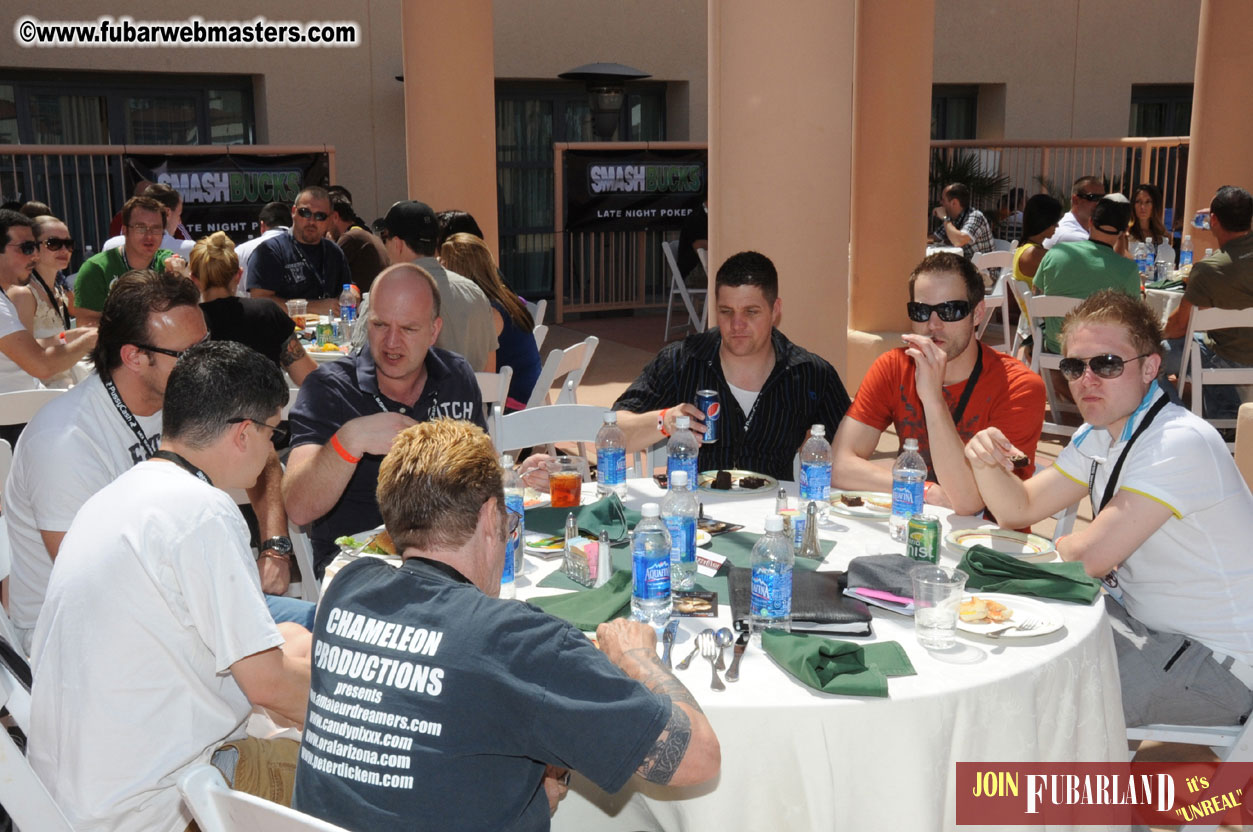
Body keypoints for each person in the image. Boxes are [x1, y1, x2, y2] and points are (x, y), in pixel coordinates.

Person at [291, 419, 720, 830]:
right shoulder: (515, 641)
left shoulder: (347, 588)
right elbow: (697, 757)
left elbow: (429, 737)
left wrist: (534, 790)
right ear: (491, 515)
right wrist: (638, 657)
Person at [29, 340, 313, 832]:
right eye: (275, 432)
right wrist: (363, 704)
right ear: (245, 433)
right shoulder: (201, 511)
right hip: (152, 810)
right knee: (367, 773)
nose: (274, 449)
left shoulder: (121, 495)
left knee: (297, 643)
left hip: (71, 800)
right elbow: (267, 684)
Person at [964, 290, 1253, 727]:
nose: (1087, 380)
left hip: (1218, 664)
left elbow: (1086, 560)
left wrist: (1069, 545)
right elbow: (1017, 509)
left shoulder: (1178, 442)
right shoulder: (1101, 434)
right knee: (1001, 638)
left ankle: (1038, 793)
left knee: (1031, 705)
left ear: (1151, 367)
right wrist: (982, 458)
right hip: (1146, 627)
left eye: (1108, 364)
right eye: (1075, 366)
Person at [4, 269, 309, 652]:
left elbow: (261, 451)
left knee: (332, 632)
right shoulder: (64, 442)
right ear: (134, 357)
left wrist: (275, 548)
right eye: (187, 354)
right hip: (85, 639)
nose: (204, 363)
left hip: (183, 605)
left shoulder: (185, 394)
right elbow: (93, 587)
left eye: (207, 344)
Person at [284, 263, 487, 572]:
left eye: (408, 329)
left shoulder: (455, 375)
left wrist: (521, 472)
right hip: (358, 572)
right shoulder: (329, 389)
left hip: (447, 562)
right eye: (380, 325)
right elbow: (298, 508)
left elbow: (480, 481)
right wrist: (351, 440)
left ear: (434, 331)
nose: (391, 342)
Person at [831, 251, 1045, 514]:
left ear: (977, 313)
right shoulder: (895, 366)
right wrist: (923, 490)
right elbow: (839, 465)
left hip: (988, 541)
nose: (933, 324)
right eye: (921, 311)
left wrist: (932, 398)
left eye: (949, 310)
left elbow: (967, 502)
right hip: (917, 529)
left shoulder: (1019, 386)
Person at [613, 251, 851, 481]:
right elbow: (615, 430)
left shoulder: (811, 373)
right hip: (696, 511)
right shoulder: (682, 361)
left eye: (751, 312)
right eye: (726, 312)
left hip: (772, 514)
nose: (737, 324)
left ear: (775, 310)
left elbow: (850, 454)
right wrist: (664, 421)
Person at [1162, 185, 1253, 418]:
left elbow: (1178, 327)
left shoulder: (1210, 270)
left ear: (1213, 219)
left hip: (1231, 361)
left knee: (1149, 357)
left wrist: (1156, 334)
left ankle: (1178, 420)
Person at [379, 200, 497, 371]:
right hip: (474, 395)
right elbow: (490, 369)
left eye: (385, 238)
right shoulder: (475, 291)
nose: (384, 246)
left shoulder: (388, 292)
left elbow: (363, 362)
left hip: (419, 396)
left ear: (397, 244)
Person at [190, 230, 317, 386]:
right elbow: (309, 378)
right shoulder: (267, 312)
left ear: (194, 279)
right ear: (239, 275)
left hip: (208, 410)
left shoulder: (189, 322)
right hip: (266, 408)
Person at [438, 232, 541, 409]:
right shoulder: (506, 297)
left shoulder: (489, 313)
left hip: (510, 406)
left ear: (458, 272)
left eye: (444, 268)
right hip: (529, 397)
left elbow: (486, 378)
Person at [0, 212, 95, 394]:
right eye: (27, 248)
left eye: (69, 244)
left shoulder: (5, 296)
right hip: (19, 412)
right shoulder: (16, 296)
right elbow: (40, 366)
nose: (35, 255)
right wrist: (89, 340)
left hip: (32, 401)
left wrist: (70, 336)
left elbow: (27, 347)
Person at [1034, 193, 1141, 354]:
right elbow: (1132, 318)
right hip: (1100, 354)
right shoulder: (1128, 270)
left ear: (1090, 221)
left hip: (1056, 347)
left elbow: (1037, 295)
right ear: (1125, 230)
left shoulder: (1056, 253)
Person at [74, 195, 178, 325]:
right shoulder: (96, 269)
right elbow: (87, 324)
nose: (149, 236)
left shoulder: (167, 265)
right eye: (141, 228)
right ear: (124, 230)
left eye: (156, 228)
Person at [249, 186, 351, 315]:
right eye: (305, 212)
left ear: (330, 219)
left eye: (320, 216)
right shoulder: (270, 251)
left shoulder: (334, 252)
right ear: (293, 212)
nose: (312, 221)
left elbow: (347, 287)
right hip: (285, 332)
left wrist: (354, 294)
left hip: (328, 332)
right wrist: (313, 307)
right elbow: (260, 301)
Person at [101, 182, 195, 259]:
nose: (180, 221)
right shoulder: (189, 249)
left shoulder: (111, 245)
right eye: (178, 214)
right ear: (167, 212)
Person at [1010, 194, 1064, 321]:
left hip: (1033, 319)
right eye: (1055, 221)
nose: (1057, 226)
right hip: (1041, 323)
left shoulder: (1024, 248)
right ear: (1044, 221)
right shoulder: (1034, 254)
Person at [327, 197, 390, 293]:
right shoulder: (365, 235)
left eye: (323, 217)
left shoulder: (351, 238)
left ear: (335, 216)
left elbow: (327, 274)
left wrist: (329, 245)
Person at [235, 200, 291, 295]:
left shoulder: (241, 251)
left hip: (250, 308)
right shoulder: (301, 246)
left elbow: (234, 287)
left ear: (262, 225)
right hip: (296, 308)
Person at [931, 183, 994, 258]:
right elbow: (935, 237)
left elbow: (959, 241)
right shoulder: (952, 219)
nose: (940, 203)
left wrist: (945, 218)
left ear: (954, 202)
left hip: (981, 268)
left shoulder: (976, 216)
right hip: (962, 265)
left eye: (943, 200)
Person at [1042, 175, 1105, 250]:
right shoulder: (1070, 234)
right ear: (1076, 200)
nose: (1099, 203)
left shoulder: (1085, 231)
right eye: (1092, 197)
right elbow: (1113, 258)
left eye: (1103, 199)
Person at [1128, 183, 1169, 248]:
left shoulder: (1162, 235)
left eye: (1148, 202)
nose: (1142, 207)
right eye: (1138, 201)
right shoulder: (1127, 234)